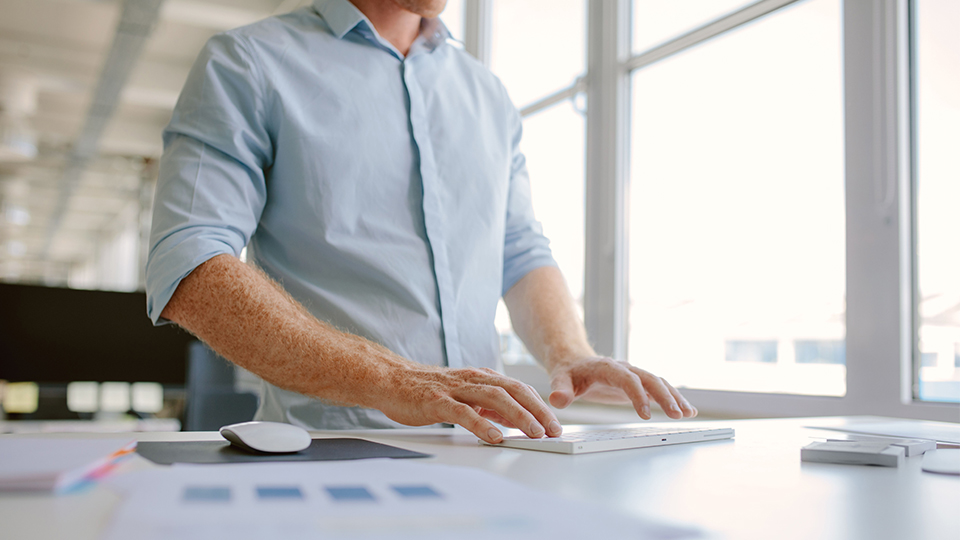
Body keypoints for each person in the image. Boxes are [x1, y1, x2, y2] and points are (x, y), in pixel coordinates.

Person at [146, 0, 697, 444]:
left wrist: (569, 352)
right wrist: (390, 380)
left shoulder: (488, 95)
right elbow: (191, 261)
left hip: (489, 448)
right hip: (330, 450)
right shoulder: (248, 62)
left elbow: (519, 250)